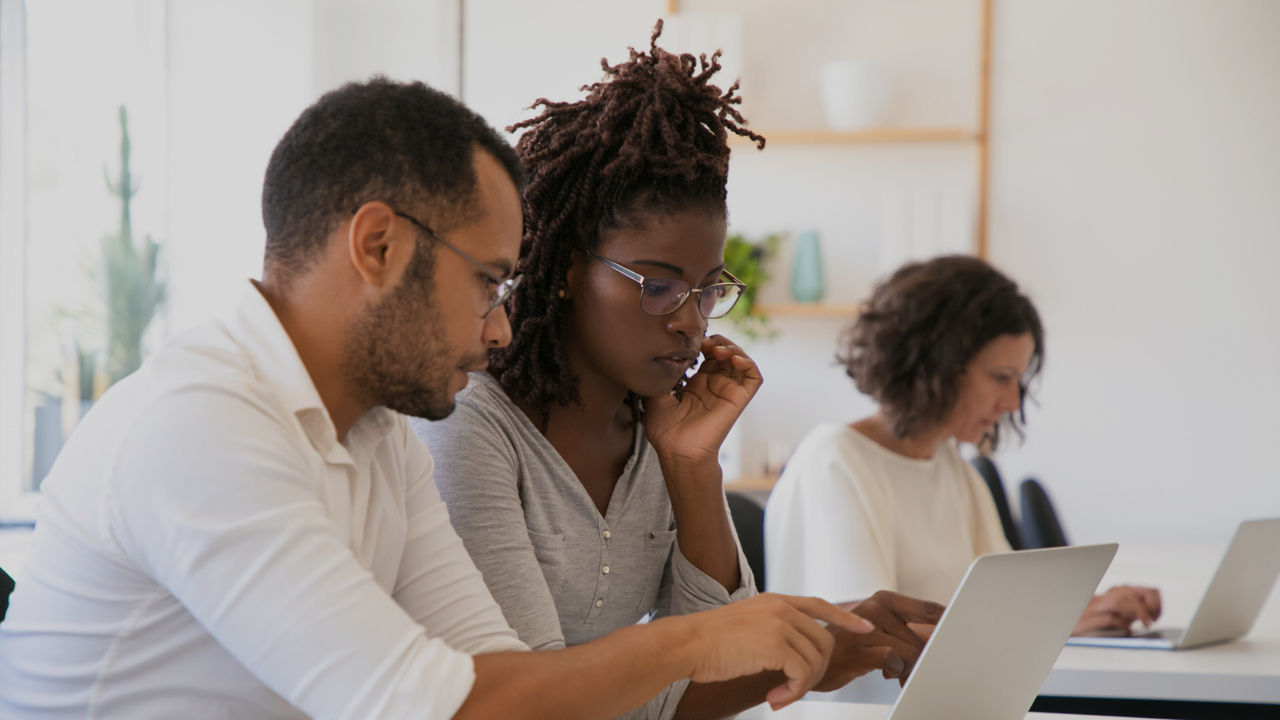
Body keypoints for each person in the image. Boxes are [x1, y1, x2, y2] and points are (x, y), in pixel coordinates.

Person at [0, 78, 873, 719]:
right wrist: (695, 640)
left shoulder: (379, 434)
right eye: (490, 283)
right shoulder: (202, 427)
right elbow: (440, 712)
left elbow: (499, 681)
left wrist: (756, 640)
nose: (501, 330)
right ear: (378, 246)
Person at [412, 24, 944, 720]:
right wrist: (796, 651)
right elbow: (539, 700)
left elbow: (726, 665)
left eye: (706, 290)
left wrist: (692, 465)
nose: (691, 322)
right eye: (658, 285)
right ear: (571, 272)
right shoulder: (472, 427)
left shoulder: (655, 429)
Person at [765, 255, 1161, 637]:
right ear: (936, 365)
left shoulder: (949, 464)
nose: (1013, 403)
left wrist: (1095, 607)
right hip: (869, 707)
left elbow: (1012, 602)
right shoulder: (835, 460)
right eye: (1001, 377)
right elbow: (869, 636)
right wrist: (1055, 623)